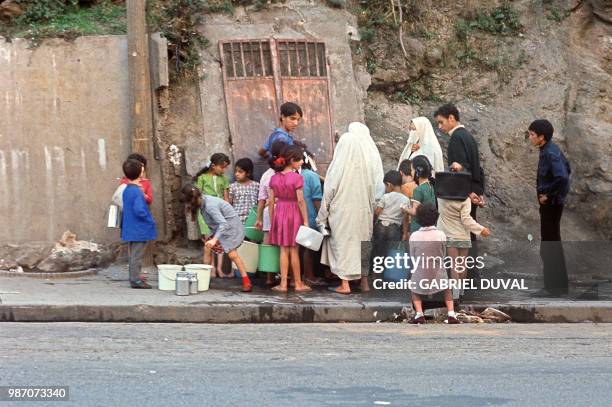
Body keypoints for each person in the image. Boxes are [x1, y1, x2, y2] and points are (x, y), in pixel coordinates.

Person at [316, 122, 385, 294]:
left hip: (343, 213)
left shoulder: (338, 166)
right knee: (362, 245)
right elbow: (374, 191)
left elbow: (329, 190)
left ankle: (345, 284)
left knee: (343, 245)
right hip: (363, 213)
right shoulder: (368, 167)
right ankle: (364, 283)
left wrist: (322, 215)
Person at [434, 103, 485, 279]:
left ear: (451, 118)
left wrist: (469, 191)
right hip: (473, 191)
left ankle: (465, 278)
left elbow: (462, 169)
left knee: (462, 238)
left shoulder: (456, 138)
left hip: (464, 195)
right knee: (469, 234)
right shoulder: (468, 137)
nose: (440, 127)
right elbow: (477, 168)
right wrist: (478, 191)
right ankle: (471, 275)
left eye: (441, 122)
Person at [179, 185, 253, 292]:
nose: (187, 206)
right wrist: (212, 237)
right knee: (207, 247)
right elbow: (215, 224)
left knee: (232, 254)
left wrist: (214, 239)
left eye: (187, 203)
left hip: (232, 229)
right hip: (223, 229)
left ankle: (247, 282)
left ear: (192, 200)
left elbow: (223, 223)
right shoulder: (203, 203)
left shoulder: (210, 206)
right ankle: (205, 279)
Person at [527, 119, 571, 295]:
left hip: (551, 205)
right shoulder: (549, 149)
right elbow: (567, 171)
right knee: (552, 244)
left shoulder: (550, 153)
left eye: (531, 134)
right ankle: (557, 286)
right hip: (553, 204)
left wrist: (549, 195)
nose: (530, 138)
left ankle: (554, 288)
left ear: (541, 137)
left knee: (549, 245)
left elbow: (562, 177)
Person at [268, 145, 311, 293]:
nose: (301, 163)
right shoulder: (297, 178)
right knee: (294, 250)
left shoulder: (273, 178)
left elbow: (271, 201)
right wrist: (306, 220)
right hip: (293, 213)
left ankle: (283, 284)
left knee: (283, 250)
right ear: (292, 160)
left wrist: (272, 219)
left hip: (279, 213)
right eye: (299, 160)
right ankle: (298, 283)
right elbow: (300, 200)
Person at [409, 203, 458, 324]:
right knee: (447, 289)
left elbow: (413, 256)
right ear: (436, 217)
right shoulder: (441, 235)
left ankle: (419, 314)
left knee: (414, 290)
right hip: (438, 272)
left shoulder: (414, 236)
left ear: (417, 218)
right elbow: (443, 253)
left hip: (420, 272)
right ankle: (451, 314)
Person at [437, 188, 491, 284]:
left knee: (453, 266)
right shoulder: (465, 200)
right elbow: (466, 220)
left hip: (449, 235)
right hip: (463, 236)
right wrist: (481, 229)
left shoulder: (441, 198)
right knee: (462, 265)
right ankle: (461, 292)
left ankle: (455, 294)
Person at [369, 170, 410, 291]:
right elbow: (406, 218)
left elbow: (377, 212)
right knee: (390, 253)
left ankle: (376, 275)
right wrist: (405, 232)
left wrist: (372, 223)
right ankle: (389, 276)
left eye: (385, 186)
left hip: (380, 226)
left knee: (377, 250)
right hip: (394, 228)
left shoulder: (385, 197)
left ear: (389, 185)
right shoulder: (405, 199)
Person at [121, 159, 157, 289]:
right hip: (139, 229)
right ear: (140, 173)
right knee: (137, 255)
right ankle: (135, 280)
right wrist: (150, 220)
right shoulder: (137, 191)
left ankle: (134, 276)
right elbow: (140, 210)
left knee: (133, 254)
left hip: (130, 227)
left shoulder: (126, 190)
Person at [194, 153, 231, 278]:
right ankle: (212, 269)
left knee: (220, 240)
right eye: (222, 167)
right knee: (209, 241)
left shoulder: (223, 179)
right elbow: (197, 197)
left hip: (219, 212)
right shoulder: (202, 178)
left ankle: (220, 269)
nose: (224, 170)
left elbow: (226, 198)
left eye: (225, 167)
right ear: (213, 166)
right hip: (205, 213)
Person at [300, 152, 324, 286]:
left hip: (297, 217)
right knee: (308, 249)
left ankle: (300, 276)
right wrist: (321, 217)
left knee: (299, 248)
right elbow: (316, 199)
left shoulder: (296, 175)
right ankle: (309, 276)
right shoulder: (311, 176)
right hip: (310, 216)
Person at [404, 156, 436, 233]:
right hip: (430, 228)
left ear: (417, 172)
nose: (411, 173)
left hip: (418, 229)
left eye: (411, 170)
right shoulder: (430, 186)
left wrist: (405, 208)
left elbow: (415, 212)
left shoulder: (418, 190)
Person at [228, 158, 260, 224]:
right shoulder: (232, 187)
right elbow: (229, 204)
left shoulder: (256, 185)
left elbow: (260, 202)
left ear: (248, 173)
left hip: (252, 220)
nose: (237, 174)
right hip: (237, 220)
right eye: (236, 171)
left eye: (240, 172)